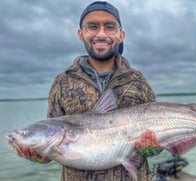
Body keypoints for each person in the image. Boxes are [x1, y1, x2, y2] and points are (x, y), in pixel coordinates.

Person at [17, 1, 157, 180]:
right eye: (92, 26)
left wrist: (152, 148)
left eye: (109, 26)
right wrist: (38, 157)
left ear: (121, 35)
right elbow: (52, 144)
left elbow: (154, 148)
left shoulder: (138, 81)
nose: (101, 33)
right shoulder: (62, 82)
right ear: (81, 34)